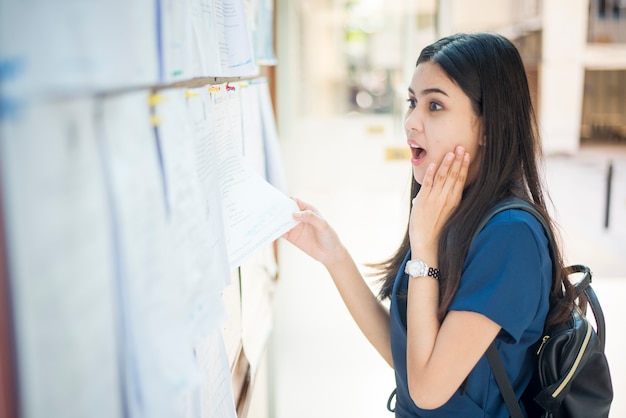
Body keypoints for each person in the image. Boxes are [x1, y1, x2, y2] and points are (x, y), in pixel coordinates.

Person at [283, 32, 577, 417]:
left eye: (434, 105)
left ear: (488, 127)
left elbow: (427, 389)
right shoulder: (451, 211)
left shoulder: (510, 236)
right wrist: (333, 255)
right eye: (411, 102)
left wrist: (424, 249)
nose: (411, 122)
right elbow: (404, 358)